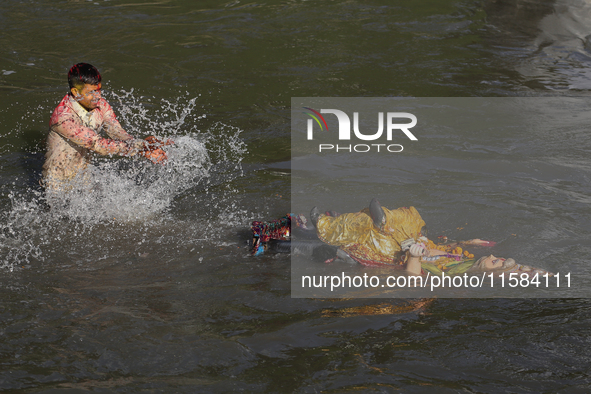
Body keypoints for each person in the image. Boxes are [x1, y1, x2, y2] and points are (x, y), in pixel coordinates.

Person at [310, 199, 553, 277]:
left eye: (496, 262)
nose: (492, 255)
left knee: (378, 232)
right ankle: (384, 220)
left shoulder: (455, 278)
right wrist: (467, 243)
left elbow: (413, 279)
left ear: (492, 273)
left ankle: (325, 226)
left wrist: (414, 258)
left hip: (396, 258)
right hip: (418, 244)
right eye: (498, 257)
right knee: (409, 217)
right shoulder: (463, 262)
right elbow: (443, 249)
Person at [42, 63, 170, 192]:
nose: (98, 96)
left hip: (84, 179)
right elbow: (98, 145)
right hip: (57, 185)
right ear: (75, 92)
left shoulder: (101, 105)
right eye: (91, 92)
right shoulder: (63, 118)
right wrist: (139, 147)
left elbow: (117, 132)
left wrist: (144, 146)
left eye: (98, 90)